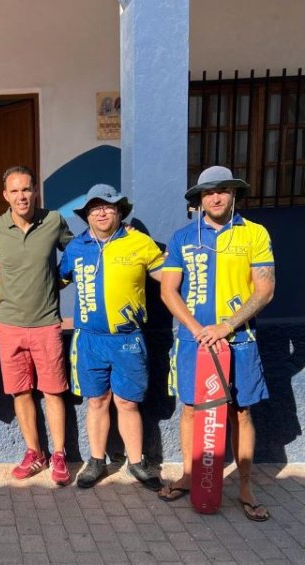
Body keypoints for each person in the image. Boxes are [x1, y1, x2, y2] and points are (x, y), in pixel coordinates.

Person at [158, 166, 275, 522]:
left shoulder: (254, 234)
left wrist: (226, 325)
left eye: (222, 190)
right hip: (195, 342)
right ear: (199, 199)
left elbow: (265, 288)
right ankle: (191, 475)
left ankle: (244, 486)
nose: (215, 197)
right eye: (208, 192)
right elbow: (168, 290)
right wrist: (197, 329)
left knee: (241, 411)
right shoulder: (182, 237)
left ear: (234, 193)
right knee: (191, 409)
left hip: (239, 340)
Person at [59, 185, 165, 490]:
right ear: (87, 216)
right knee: (97, 401)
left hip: (128, 339)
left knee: (128, 403)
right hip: (90, 340)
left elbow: (168, 278)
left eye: (108, 207)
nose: (101, 212)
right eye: (95, 208)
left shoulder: (139, 243)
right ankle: (96, 461)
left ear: (119, 212)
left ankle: (136, 462)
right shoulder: (76, 248)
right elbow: (53, 281)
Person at [0, 165, 73, 486]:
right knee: (20, 391)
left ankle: (60, 454)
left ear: (35, 191)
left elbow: (76, 252)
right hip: (9, 325)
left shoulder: (53, 221)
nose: (22, 196)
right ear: (5, 195)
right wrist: (3, 287)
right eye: (15, 191)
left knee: (53, 391)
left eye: (27, 189)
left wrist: (58, 281)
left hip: (46, 323)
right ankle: (34, 452)